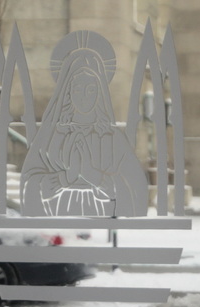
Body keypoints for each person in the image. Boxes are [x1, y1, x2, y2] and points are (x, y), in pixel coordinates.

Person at [19, 32, 148, 217]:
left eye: (91, 90)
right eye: (78, 89)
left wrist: (94, 176)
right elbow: (29, 182)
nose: (84, 97)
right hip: (57, 216)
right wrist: (65, 177)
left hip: (101, 217)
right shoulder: (51, 135)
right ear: (68, 92)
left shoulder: (112, 138)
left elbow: (134, 185)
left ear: (100, 93)